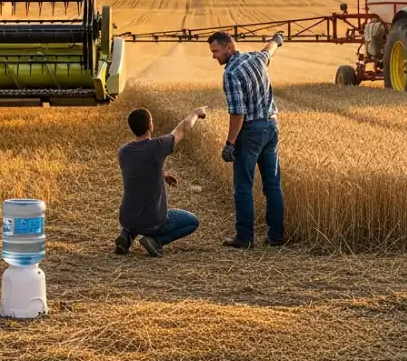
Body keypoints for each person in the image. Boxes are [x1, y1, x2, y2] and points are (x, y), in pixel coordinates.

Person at [208, 30, 286, 248]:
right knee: (272, 184)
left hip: (251, 131)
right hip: (271, 126)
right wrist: (276, 40)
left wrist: (230, 144)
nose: (213, 56)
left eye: (216, 51)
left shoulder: (231, 73)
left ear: (229, 47)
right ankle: (276, 236)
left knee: (243, 186)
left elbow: (238, 113)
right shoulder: (256, 58)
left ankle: (244, 237)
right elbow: (268, 51)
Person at [115, 107, 206, 257]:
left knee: (134, 215)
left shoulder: (123, 152)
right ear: (150, 125)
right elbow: (183, 128)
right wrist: (196, 113)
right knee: (192, 221)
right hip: (153, 221)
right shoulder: (157, 146)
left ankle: (126, 235)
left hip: (127, 218)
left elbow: (138, 173)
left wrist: (161, 176)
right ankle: (155, 240)